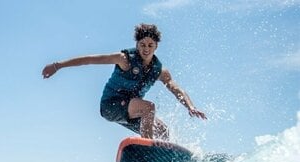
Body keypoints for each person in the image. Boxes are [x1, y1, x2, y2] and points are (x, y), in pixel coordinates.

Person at [42, 23, 206, 140]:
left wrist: (190, 107)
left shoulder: (160, 71)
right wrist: (58, 66)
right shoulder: (124, 59)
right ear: (137, 44)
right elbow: (90, 59)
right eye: (142, 44)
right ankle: (147, 150)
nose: (146, 49)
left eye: (150, 45)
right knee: (149, 108)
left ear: (156, 46)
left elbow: (175, 87)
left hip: (131, 110)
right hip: (110, 105)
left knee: (163, 131)